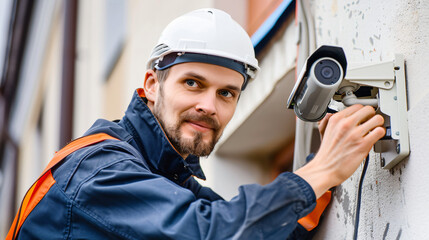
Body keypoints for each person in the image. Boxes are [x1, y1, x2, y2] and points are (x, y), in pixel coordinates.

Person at [9, 8, 385, 239]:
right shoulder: (98, 169)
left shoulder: (166, 176)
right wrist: (320, 171)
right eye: (193, 83)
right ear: (153, 86)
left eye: (227, 93)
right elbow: (212, 233)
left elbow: (257, 231)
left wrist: (330, 169)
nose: (209, 106)